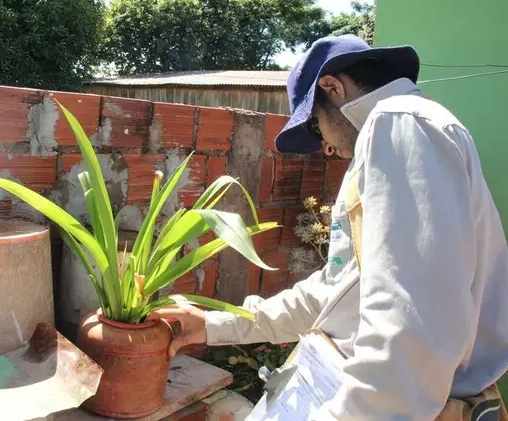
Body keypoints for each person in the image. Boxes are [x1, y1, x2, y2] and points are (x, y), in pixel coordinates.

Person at [150, 34, 508, 419]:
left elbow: (409, 328)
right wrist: (213, 326)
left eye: (316, 128)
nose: (327, 148)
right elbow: (337, 289)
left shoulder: (399, 122)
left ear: (332, 87)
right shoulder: (394, 132)